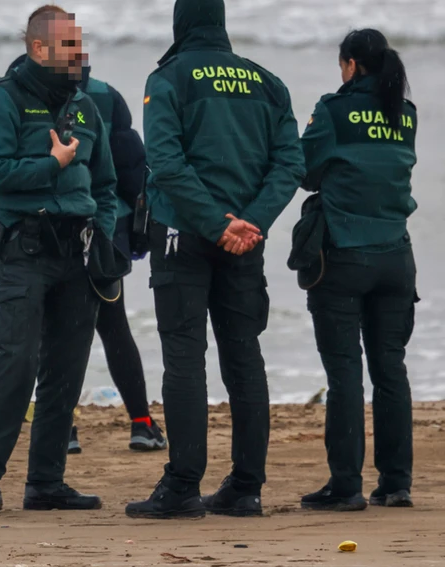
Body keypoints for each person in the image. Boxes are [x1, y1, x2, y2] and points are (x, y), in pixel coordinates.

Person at [125, 0, 305, 519]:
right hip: (246, 238)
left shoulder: (169, 76)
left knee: (185, 356)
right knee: (244, 355)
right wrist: (251, 221)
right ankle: (246, 487)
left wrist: (215, 222)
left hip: (186, 232)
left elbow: (164, 158)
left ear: (180, 23)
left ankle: (183, 484)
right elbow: (290, 162)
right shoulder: (267, 82)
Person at [0, 7, 118, 512]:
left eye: (80, 43)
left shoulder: (86, 107)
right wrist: (51, 164)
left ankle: (46, 483)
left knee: (67, 368)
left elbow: (107, 184)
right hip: (22, 248)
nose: (81, 53)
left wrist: (106, 235)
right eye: (70, 45)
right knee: (18, 362)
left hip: (77, 252)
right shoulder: (2, 99)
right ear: (38, 49)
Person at [0, 33, 166, 455]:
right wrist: (129, 231)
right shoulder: (106, 97)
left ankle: (66, 428)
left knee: (45, 334)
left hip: (44, 234)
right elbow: (131, 170)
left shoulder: (16, 91)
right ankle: (141, 424)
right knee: (113, 327)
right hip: (104, 234)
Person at [297, 29, 419, 512]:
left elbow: (305, 170)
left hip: (344, 255)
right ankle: (396, 483)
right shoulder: (404, 114)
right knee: (391, 370)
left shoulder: (333, 110)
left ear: (350, 65)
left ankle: (345, 485)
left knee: (344, 372)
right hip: (396, 257)